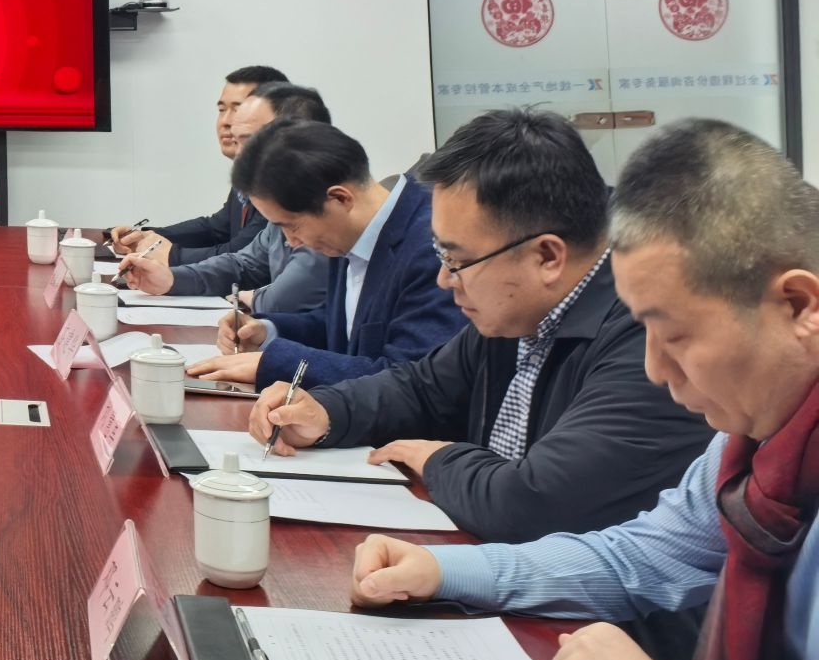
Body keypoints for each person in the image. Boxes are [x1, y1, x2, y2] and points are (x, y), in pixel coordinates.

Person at [350, 120, 819, 660]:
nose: (655, 369)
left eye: (675, 336)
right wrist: (444, 570)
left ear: (798, 305)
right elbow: (642, 557)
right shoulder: (750, 446)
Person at [250, 109, 712, 544]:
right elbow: (422, 387)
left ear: (547, 256)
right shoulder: (517, 310)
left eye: (457, 260)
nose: (443, 279)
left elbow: (535, 502)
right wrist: (325, 412)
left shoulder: (651, 337)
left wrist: (438, 459)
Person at [187, 119, 464, 391]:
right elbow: (343, 328)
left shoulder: (433, 245)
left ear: (340, 199)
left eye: (292, 227)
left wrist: (277, 364)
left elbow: (409, 380)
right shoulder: (349, 232)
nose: (292, 243)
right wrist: (267, 331)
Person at [119, 81, 331, 314]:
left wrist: (252, 297)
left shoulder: (324, 207)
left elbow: (283, 300)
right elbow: (245, 264)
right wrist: (172, 279)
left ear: (296, 139)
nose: (239, 155)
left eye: (249, 142)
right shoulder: (282, 201)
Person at [109, 64, 286, 263]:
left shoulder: (284, 180)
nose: (225, 121)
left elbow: (240, 255)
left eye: (238, 110)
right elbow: (216, 229)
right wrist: (148, 237)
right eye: (222, 110)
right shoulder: (249, 171)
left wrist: (171, 255)